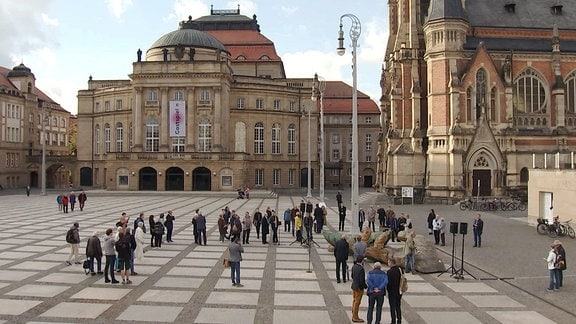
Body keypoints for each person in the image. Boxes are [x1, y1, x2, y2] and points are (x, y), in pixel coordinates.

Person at [351, 257, 367, 323]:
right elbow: (362, 280)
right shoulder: (361, 269)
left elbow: (352, 276)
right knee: (357, 302)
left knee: (354, 300)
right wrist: (365, 286)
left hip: (354, 286)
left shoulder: (354, 266)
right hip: (359, 288)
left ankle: (353, 312)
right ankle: (355, 317)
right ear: (362, 261)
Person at [387, 258, 403, 324]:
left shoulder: (389, 272)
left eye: (388, 262)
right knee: (398, 306)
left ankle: (393, 320)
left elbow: (389, 283)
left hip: (392, 292)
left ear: (391, 263)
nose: (388, 264)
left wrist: (387, 289)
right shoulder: (400, 270)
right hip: (399, 291)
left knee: (392, 307)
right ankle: (399, 320)